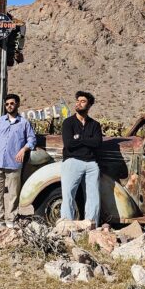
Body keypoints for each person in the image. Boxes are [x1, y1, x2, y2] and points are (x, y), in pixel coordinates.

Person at [0, 93, 36, 229]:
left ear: (17, 104)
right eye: (7, 104)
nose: (9, 106)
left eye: (12, 103)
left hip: (14, 163)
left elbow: (32, 139)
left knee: (13, 193)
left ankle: (11, 219)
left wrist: (23, 149)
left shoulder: (24, 123)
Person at [60, 91, 103, 227]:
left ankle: (91, 224)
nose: (78, 103)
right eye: (77, 101)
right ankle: (67, 225)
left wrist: (79, 138)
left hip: (91, 164)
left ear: (89, 105)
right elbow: (69, 144)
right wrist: (87, 140)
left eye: (82, 101)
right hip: (72, 162)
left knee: (93, 196)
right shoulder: (68, 123)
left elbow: (97, 143)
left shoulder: (94, 124)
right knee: (68, 195)